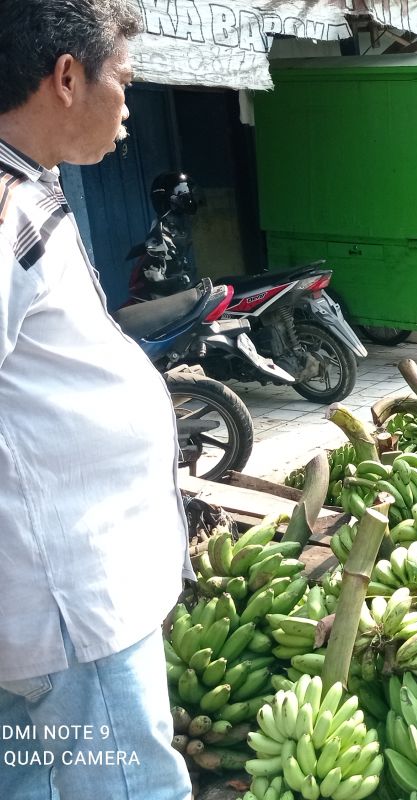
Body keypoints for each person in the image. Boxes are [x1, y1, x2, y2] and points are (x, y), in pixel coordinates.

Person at [0, 2, 193, 798]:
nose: (129, 104)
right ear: (68, 77)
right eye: (125, 79)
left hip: (61, 603)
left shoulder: (27, 182)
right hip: (67, 607)